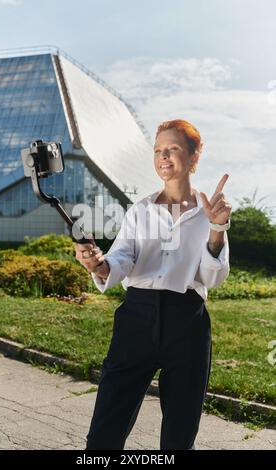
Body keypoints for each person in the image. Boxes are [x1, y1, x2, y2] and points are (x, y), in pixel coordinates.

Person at [74, 119, 232, 450]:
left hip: (187, 322)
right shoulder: (140, 210)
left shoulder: (209, 213)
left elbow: (212, 278)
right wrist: (98, 264)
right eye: (158, 150)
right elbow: (121, 260)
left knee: (179, 433)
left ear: (194, 156)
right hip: (136, 318)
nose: (163, 157)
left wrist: (217, 227)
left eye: (173, 149)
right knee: (105, 431)